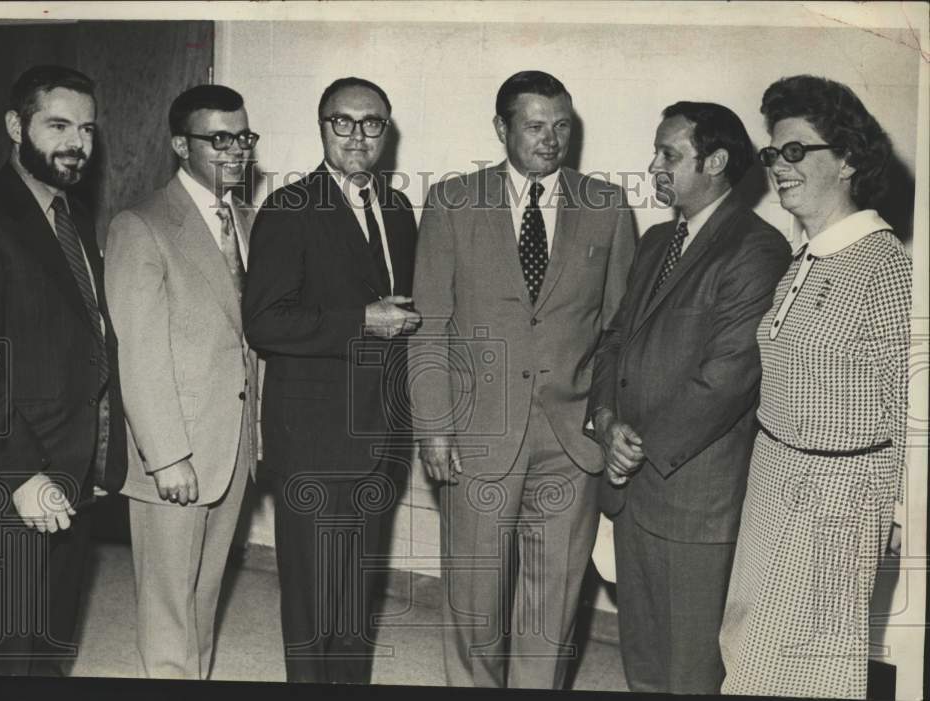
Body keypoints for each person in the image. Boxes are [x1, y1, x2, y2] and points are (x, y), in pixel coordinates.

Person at [409, 70, 637, 689]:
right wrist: (434, 426)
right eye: (535, 125)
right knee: (474, 601)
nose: (551, 139)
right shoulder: (453, 202)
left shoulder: (608, 207)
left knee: (550, 611)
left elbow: (618, 333)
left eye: (562, 126)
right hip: (478, 437)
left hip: (571, 441)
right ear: (501, 128)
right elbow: (429, 326)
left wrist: (608, 421)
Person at [585, 102, 791, 694]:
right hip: (633, 487)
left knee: (692, 669)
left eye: (669, 154)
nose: (654, 165)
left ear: (716, 161)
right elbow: (614, 341)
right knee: (643, 659)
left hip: (696, 500)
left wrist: (637, 448)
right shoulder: (655, 241)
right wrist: (604, 421)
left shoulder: (757, 249)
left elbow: (726, 379)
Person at [719, 75, 911, 699]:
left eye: (797, 151)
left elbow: (911, 408)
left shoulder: (884, 266)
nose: (779, 166)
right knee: (747, 645)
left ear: (850, 159)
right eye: (774, 154)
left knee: (806, 667)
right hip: (773, 477)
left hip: (834, 499)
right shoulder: (806, 258)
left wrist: (898, 514)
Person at [242, 77, 419, 684]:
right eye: (341, 121)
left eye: (371, 123)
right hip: (314, 441)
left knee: (354, 600)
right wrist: (362, 321)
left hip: (381, 438)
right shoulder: (288, 209)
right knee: (313, 605)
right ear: (322, 128)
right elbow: (264, 321)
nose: (357, 135)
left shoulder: (396, 208)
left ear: (386, 131)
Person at [0, 64, 127, 675]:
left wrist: (102, 454)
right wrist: (24, 473)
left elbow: (90, 338)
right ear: (14, 125)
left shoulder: (74, 216)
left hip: (73, 467)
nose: (77, 143)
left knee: (52, 641)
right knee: (2, 648)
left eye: (86, 129)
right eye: (58, 125)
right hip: (11, 473)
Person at [103, 84, 259, 679]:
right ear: (179, 144)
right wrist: (167, 456)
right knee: (168, 608)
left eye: (243, 137)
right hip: (176, 450)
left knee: (204, 595)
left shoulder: (245, 218)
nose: (236, 150)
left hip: (234, 442)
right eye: (219, 139)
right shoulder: (140, 225)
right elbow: (138, 353)